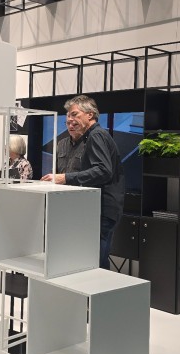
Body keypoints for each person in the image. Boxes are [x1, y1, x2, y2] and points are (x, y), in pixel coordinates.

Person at [41, 95, 124, 269]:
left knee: (94, 262)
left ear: (90, 115)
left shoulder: (96, 136)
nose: (69, 120)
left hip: (100, 210)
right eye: (68, 116)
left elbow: (103, 171)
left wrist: (65, 178)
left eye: (74, 114)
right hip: (85, 208)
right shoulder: (71, 141)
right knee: (87, 260)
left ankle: (100, 287)